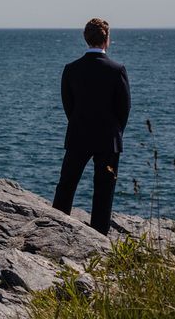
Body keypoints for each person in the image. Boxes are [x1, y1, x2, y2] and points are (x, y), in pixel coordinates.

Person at [52, 18, 131, 235]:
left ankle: (55, 228)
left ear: (86, 39)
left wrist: (79, 122)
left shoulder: (71, 69)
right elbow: (124, 108)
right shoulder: (117, 69)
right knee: (104, 191)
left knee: (66, 185)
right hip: (109, 139)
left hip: (78, 134)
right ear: (106, 39)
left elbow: (68, 105)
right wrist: (116, 131)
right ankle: (99, 236)